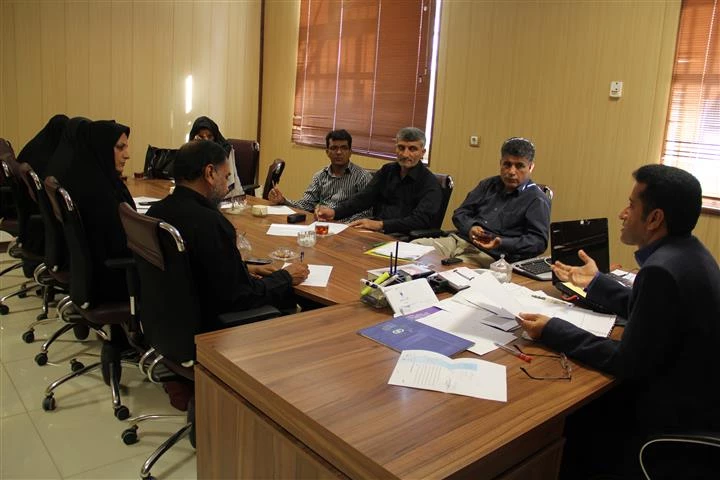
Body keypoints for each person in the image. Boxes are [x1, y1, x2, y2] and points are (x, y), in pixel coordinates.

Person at [518, 164, 720, 478]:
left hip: (671, 420)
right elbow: (647, 307)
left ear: (654, 219)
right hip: (699, 401)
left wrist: (551, 329)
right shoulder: (690, 253)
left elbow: (626, 362)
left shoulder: (660, 270)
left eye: (631, 205)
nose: (622, 214)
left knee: (567, 415)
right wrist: (596, 282)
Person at [147, 140, 309, 331]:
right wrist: (286, 277)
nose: (227, 188)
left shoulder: (156, 211)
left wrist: (242, 268)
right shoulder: (210, 223)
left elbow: (195, 269)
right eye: (226, 177)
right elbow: (241, 297)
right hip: (214, 328)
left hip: (166, 321)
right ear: (210, 173)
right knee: (298, 303)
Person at [414, 137, 550, 267]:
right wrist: (471, 227)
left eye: (519, 166)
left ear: (531, 167)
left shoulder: (536, 199)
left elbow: (538, 243)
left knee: (450, 271)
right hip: (459, 241)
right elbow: (460, 213)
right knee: (412, 248)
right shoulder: (488, 184)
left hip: (491, 255)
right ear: (500, 163)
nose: (511, 172)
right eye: (507, 164)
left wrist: (502, 242)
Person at [48, 119, 136, 304]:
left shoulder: (86, 177)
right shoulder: (100, 193)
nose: (127, 155)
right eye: (120, 148)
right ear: (102, 148)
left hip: (89, 278)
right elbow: (123, 244)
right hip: (111, 281)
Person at [315, 127, 442, 234]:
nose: (405, 154)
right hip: (376, 232)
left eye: (412, 149)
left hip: (405, 238)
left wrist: (380, 225)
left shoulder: (430, 183)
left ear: (422, 152)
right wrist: (334, 212)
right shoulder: (387, 171)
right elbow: (364, 198)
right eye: (401, 148)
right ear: (396, 148)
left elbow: (420, 220)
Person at [267, 129, 372, 222]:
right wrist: (283, 200)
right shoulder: (320, 176)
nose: (339, 152)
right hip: (321, 225)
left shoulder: (362, 177)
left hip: (346, 228)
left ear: (350, 152)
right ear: (327, 152)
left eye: (344, 148)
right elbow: (306, 205)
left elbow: (366, 213)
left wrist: (339, 221)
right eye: (334, 148)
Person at [188, 116, 243, 199]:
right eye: (201, 137)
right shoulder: (192, 150)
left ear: (215, 136)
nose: (206, 140)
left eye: (209, 136)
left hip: (226, 198)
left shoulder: (225, 151)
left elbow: (229, 183)